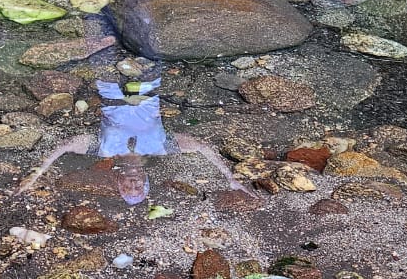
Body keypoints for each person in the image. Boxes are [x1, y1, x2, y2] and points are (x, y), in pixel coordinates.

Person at [17, 78, 253, 205]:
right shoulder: (161, 149)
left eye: (127, 187)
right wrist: (229, 178)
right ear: (145, 180)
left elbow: (65, 146)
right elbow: (201, 146)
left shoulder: (102, 149)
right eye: (137, 187)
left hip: (112, 92)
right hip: (147, 92)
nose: (132, 183)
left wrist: (35, 176)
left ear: (119, 180)